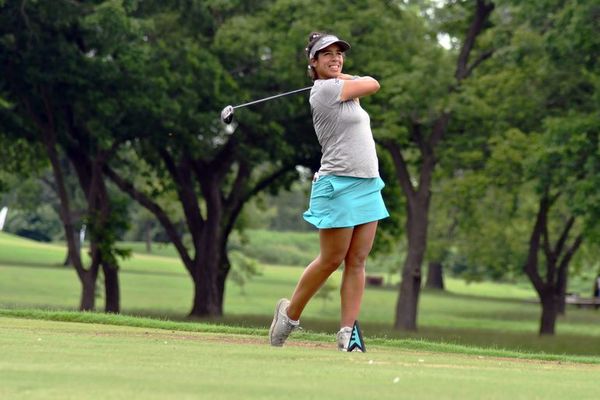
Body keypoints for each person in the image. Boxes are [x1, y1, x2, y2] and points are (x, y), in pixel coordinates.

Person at [268, 32, 389, 350]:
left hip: (366, 183)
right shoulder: (325, 91)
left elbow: (362, 85)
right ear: (313, 61)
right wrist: (336, 76)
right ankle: (289, 316)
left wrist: (336, 73)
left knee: (358, 259)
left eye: (339, 53)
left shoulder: (339, 87)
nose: (335, 58)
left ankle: (347, 333)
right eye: (327, 54)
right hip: (339, 184)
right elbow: (373, 83)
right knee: (331, 259)